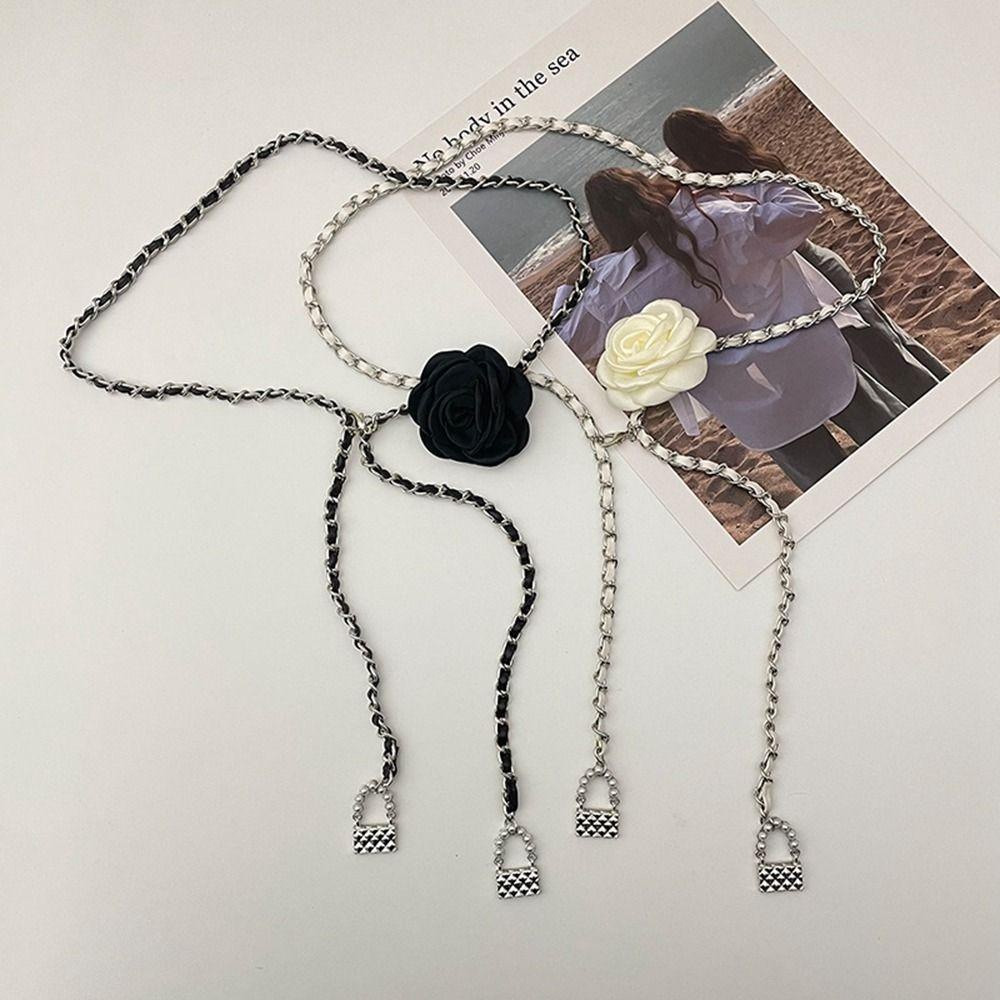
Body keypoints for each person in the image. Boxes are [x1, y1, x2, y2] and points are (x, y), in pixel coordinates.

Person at [552, 168, 904, 490]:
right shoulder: (713, 220)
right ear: (646, 189)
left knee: (829, 483)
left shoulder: (612, 286)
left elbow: (564, 343)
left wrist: (573, 285)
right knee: (888, 434)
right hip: (801, 350)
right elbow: (803, 209)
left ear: (605, 225)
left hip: (743, 393)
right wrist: (739, 187)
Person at [662, 108, 950, 404]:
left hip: (813, 275)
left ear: (684, 153)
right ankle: (944, 391)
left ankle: (943, 399)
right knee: (887, 346)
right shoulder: (740, 166)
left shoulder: (731, 182)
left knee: (882, 354)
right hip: (811, 271)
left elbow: (803, 210)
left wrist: (737, 215)